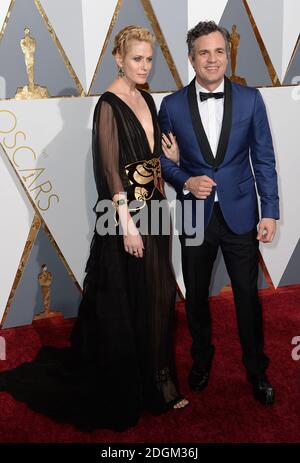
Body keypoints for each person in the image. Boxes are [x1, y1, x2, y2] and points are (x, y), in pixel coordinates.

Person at [0, 25, 188, 432]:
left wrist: (165, 154)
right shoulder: (107, 105)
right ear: (118, 59)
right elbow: (109, 172)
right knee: (130, 301)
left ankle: (160, 381)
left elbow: (149, 156)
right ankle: (136, 386)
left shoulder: (146, 99)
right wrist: (126, 226)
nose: (144, 66)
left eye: (149, 59)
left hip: (157, 211)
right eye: (136, 58)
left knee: (158, 297)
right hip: (128, 219)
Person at [159, 21, 279, 405]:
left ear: (227, 55)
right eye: (204, 53)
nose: (213, 59)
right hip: (195, 215)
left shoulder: (250, 99)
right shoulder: (172, 105)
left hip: (242, 212)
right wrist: (186, 181)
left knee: (247, 296)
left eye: (219, 51)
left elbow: (263, 159)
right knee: (195, 295)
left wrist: (270, 212)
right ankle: (201, 362)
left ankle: (257, 370)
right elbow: (163, 162)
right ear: (192, 59)